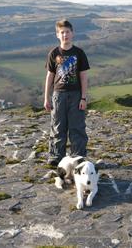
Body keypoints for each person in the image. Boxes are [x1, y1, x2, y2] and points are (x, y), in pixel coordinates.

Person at [44, 19, 90, 166]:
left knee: (77, 127)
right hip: (58, 96)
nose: (65, 35)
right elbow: (50, 76)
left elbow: (83, 77)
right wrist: (47, 98)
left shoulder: (79, 53)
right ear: (57, 35)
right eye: (62, 32)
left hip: (76, 95)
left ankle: (78, 157)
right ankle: (57, 157)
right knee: (58, 127)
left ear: (72, 33)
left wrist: (83, 98)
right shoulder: (54, 53)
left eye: (68, 32)